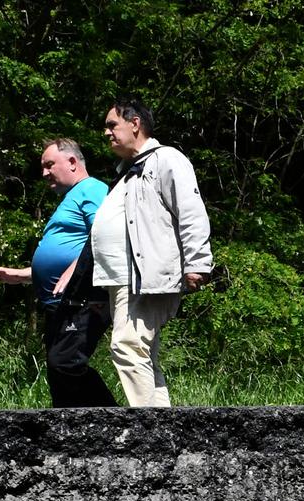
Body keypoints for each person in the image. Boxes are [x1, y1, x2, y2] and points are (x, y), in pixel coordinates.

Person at [91, 98, 214, 408]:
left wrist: (197, 263)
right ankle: (162, 428)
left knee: (127, 347)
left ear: (135, 124)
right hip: (121, 278)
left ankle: (149, 432)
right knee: (141, 353)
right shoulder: (128, 171)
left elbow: (190, 211)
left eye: (111, 125)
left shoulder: (165, 159)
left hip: (144, 277)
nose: (106, 133)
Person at [0, 138, 118, 408]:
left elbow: (104, 234)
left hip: (82, 298)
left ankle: (118, 422)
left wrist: (74, 268)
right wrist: (24, 274)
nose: (44, 173)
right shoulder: (70, 199)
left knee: (66, 364)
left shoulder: (91, 188)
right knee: (58, 375)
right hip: (61, 302)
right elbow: (64, 253)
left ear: (71, 162)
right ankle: (69, 436)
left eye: (49, 165)